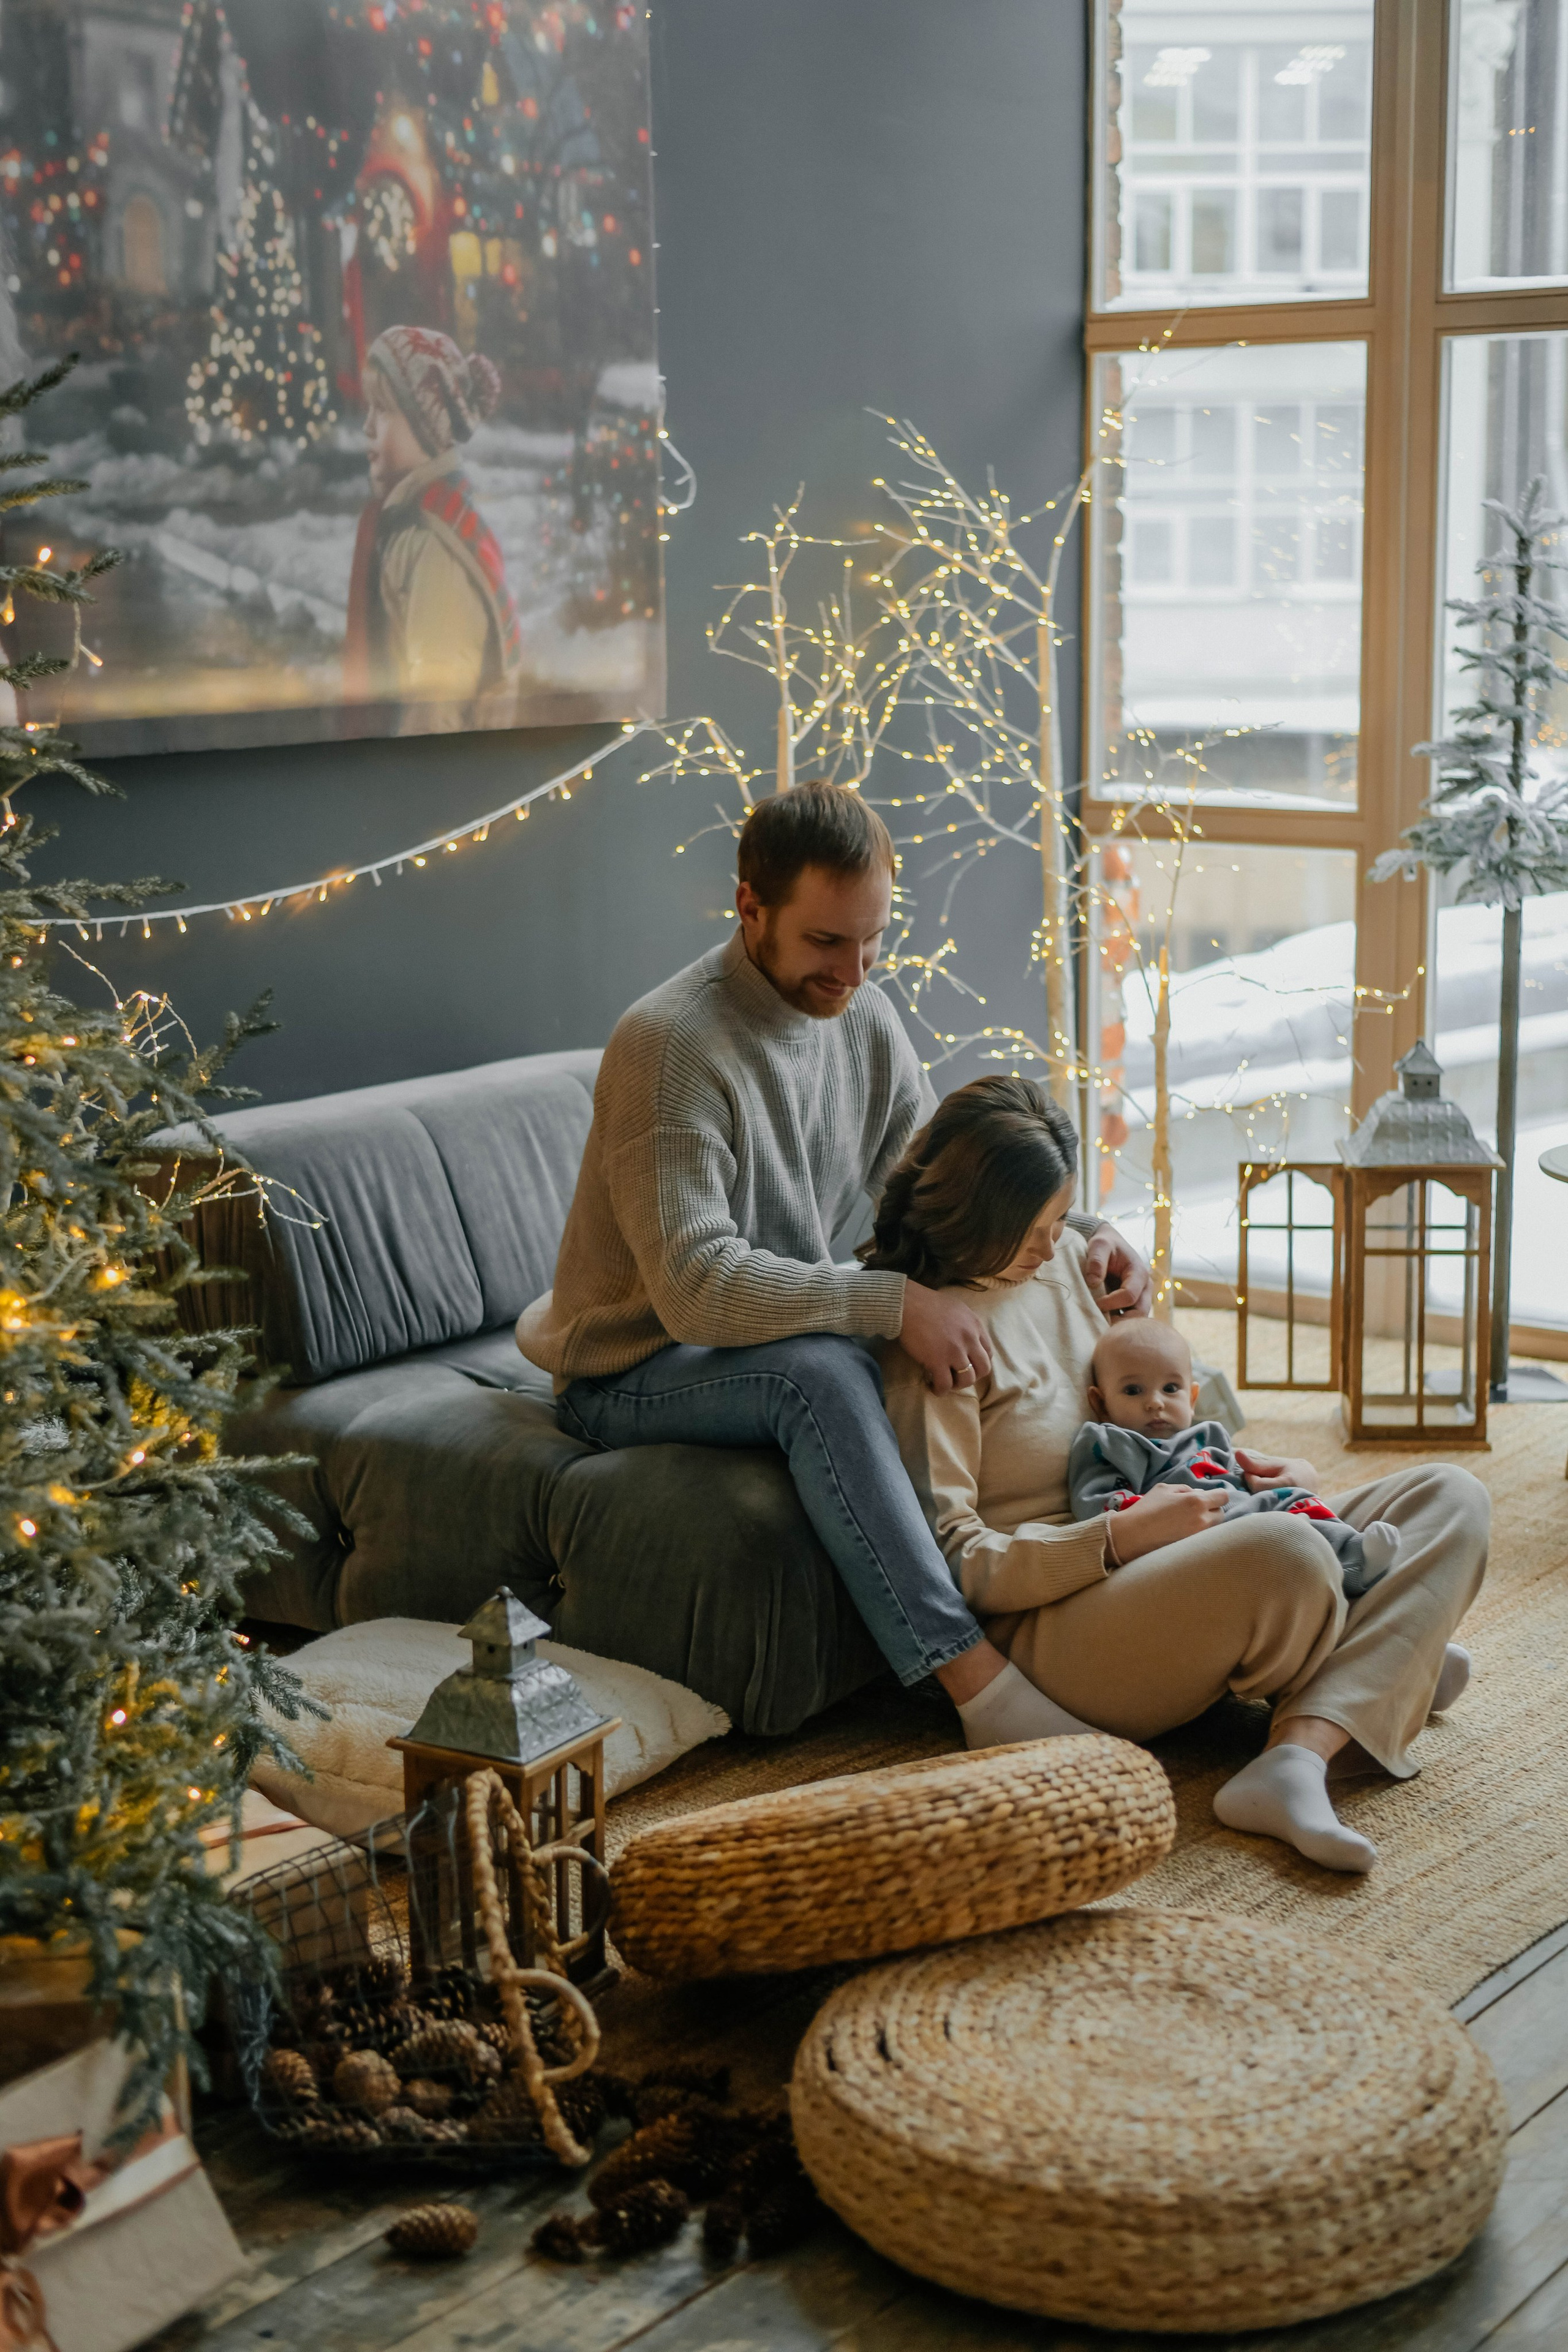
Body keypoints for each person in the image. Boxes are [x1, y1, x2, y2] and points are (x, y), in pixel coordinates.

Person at [516, 782, 1155, 1751]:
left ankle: (1134, 1556)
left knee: (965, 1309)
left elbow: (943, 1193)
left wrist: (1084, 1235)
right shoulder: (671, 1045)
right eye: (825, 943)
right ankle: (976, 1685)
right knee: (825, 1371)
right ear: (750, 908)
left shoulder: (862, 1013)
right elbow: (692, 1289)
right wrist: (890, 1303)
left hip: (765, 1319)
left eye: (874, 940)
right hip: (633, 1367)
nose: (853, 972)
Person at [868, 1073, 1487, 1875]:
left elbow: (1152, 1405)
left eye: (1062, 1218)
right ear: (975, 1210)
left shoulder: (1061, 1260)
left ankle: (1296, 1758)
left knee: (1451, 1498)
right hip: (1071, 1615)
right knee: (1288, 1557)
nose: (1054, 1240)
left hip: (1177, 1541)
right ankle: (1385, 1654)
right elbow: (959, 1566)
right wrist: (1116, 1537)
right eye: (1038, 1223)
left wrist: (1267, 1474)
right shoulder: (934, 1343)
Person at [1069, 1319, 1400, 1599]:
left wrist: (1273, 1479)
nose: (1155, 1403)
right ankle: (1317, 1561)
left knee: (1296, 1498)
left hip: (1245, 1507)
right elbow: (1096, 1504)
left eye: (1171, 1388)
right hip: (1198, 1533)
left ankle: (1354, 1559)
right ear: (1100, 1403)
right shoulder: (1110, 1443)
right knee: (1282, 1534)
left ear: (1193, 1397)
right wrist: (1143, 1515)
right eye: (1133, 1391)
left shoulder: (1206, 1435)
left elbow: (1236, 1470)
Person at [342, 323, 522, 721]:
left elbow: (434, 715)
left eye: (384, 410)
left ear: (429, 425)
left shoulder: (436, 548)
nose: (367, 426)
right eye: (369, 408)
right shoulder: (408, 522)